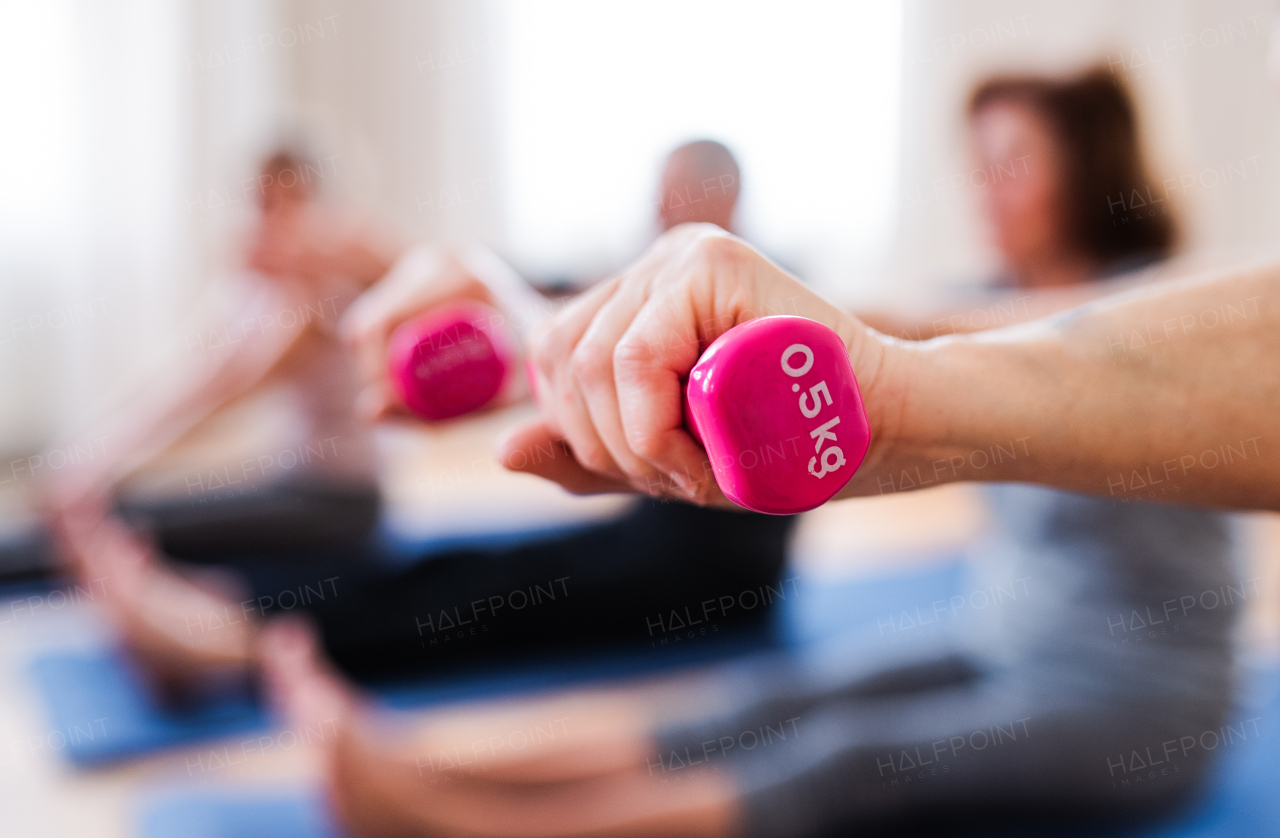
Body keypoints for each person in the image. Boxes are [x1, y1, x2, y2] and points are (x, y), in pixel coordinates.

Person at [257, 72, 1247, 837]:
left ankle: (459, 826)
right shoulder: (983, 292)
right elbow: (908, 324)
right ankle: (431, 771)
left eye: (1012, 162)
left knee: (844, 757)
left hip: (1134, 699)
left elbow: (1017, 335)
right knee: (765, 702)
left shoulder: (1153, 304)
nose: (984, 189)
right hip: (999, 635)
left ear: (1089, 168)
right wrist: (525, 324)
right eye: (976, 161)